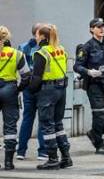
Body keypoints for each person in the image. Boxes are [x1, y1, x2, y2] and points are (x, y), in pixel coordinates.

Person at [21, 24, 72, 170]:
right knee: (58, 124)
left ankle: (52, 159)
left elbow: (36, 77)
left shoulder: (41, 53)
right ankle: (66, 157)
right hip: (61, 89)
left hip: (47, 91)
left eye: (37, 35)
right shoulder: (61, 49)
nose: (35, 37)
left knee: (47, 125)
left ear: (42, 37)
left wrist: (29, 89)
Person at [73, 17, 104, 154]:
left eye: (103, 26)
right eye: (98, 26)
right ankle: (99, 144)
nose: (101, 29)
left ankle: (95, 133)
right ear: (91, 29)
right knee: (99, 115)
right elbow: (77, 66)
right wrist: (88, 71)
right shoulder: (86, 47)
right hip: (94, 84)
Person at [0, 26, 30, 170]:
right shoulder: (17, 54)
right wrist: (18, 89)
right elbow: (26, 77)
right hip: (9, 89)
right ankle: (8, 162)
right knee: (10, 126)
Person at [16, 24, 46, 162]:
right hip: (41, 86)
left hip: (27, 86)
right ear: (38, 34)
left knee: (27, 118)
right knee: (43, 119)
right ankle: (42, 151)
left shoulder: (22, 47)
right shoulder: (45, 48)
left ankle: (21, 151)